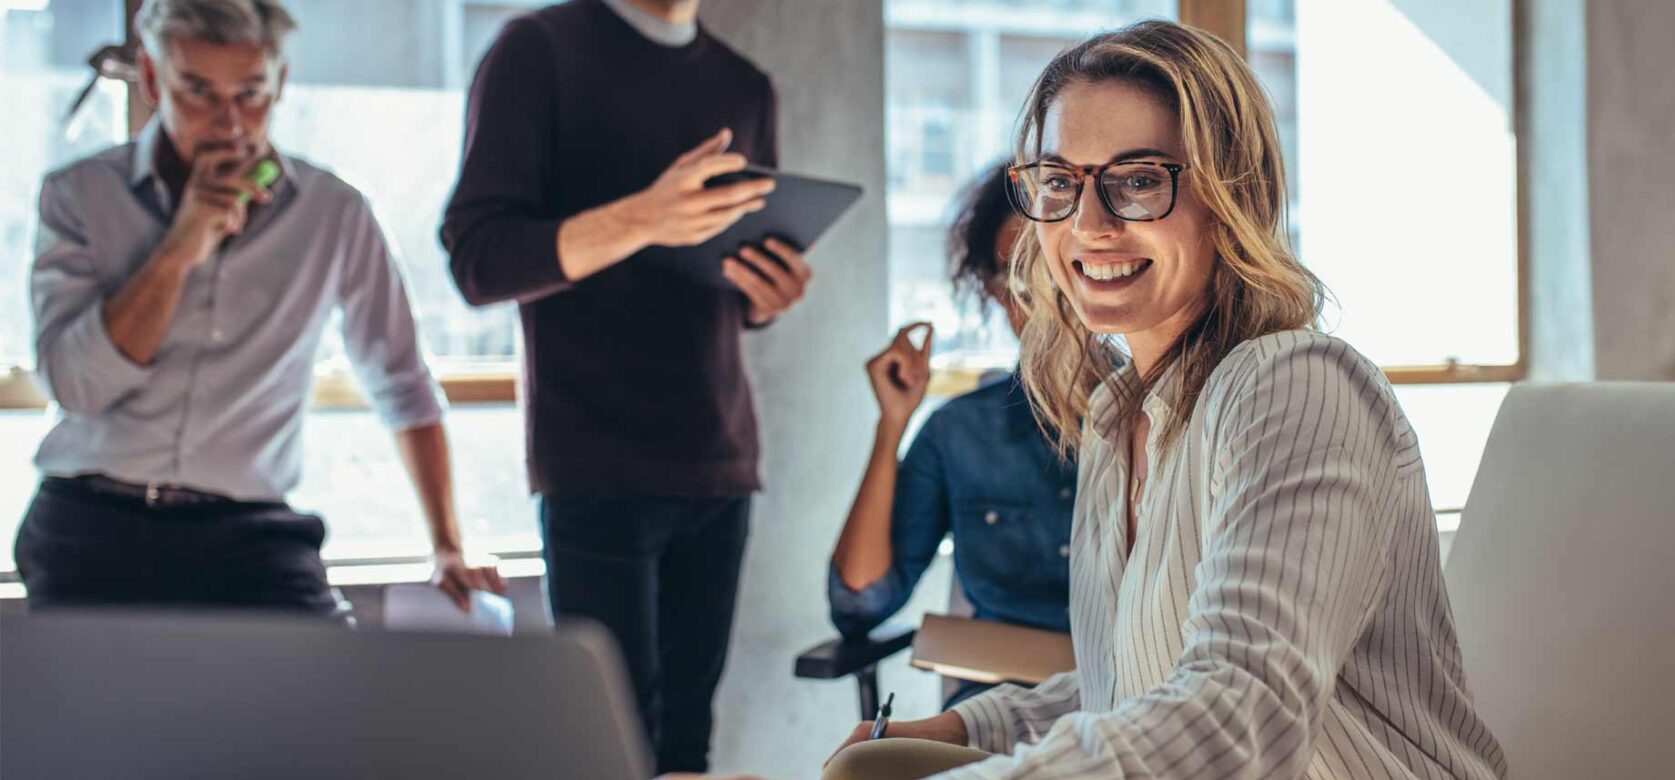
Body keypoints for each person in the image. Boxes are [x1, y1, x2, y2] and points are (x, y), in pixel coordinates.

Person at [678, 19, 1510, 780]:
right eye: (1058, 182)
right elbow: (1126, 688)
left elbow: (1235, 714)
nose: (1090, 225)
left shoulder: (1297, 388)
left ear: (1232, 196)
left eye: (1139, 181)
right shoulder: (1117, 420)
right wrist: (968, 732)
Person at [17, 0, 502, 616]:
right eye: (198, 92)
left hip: (249, 531)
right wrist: (176, 251)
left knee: (325, 700)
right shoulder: (78, 196)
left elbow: (402, 382)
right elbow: (76, 388)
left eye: (251, 94)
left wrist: (449, 545)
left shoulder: (335, 213)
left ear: (280, 82)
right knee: (89, 710)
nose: (229, 124)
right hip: (92, 518)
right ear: (150, 78)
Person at [439, 0, 811, 773]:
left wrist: (764, 297)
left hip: (720, 459)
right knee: (609, 749)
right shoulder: (536, 49)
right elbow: (479, 260)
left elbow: (729, 281)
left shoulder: (745, 85)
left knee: (684, 750)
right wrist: (643, 216)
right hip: (594, 462)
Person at [827, 161, 1074, 709]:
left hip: (1129, 712)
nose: (1039, 300)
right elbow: (860, 601)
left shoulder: (1159, 417)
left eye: (1052, 272)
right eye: (1015, 281)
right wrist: (892, 424)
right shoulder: (961, 432)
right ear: (991, 293)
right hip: (993, 708)